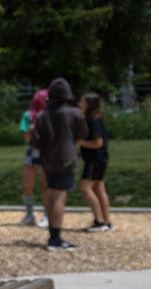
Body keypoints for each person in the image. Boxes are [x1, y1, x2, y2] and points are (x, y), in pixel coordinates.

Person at [30, 77, 86, 251]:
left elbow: (36, 141)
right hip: (67, 159)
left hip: (48, 159)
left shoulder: (42, 115)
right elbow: (82, 134)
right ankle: (56, 238)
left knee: (51, 194)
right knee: (60, 196)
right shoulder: (76, 113)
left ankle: (53, 235)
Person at [77, 91, 114, 231]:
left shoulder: (94, 121)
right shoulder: (93, 119)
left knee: (85, 189)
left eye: (82, 102)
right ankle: (106, 221)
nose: (80, 104)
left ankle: (99, 222)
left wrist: (79, 142)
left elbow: (97, 143)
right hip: (99, 159)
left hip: (95, 159)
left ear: (89, 104)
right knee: (98, 189)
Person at [16, 87, 48, 226]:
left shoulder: (52, 115)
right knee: (26, 185)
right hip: (33, 152)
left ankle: (47, 215)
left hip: (49, 151)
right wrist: (32, 130)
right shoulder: (28, 116)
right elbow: (27, 139)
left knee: (47, 185)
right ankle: (29, 214)